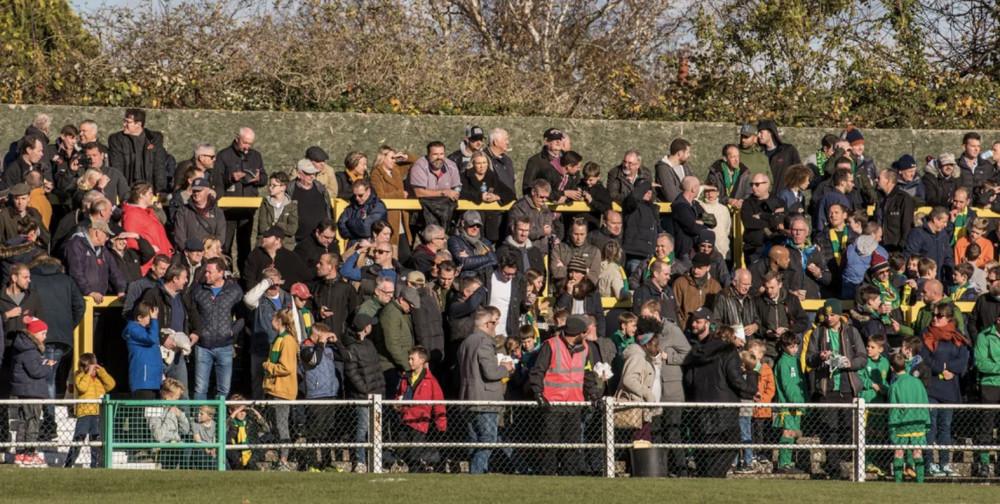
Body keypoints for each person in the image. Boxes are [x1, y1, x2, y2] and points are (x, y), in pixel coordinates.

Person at [529, 314, 600, 476]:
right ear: (577, 333)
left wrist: (594, 395)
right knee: (550, 445)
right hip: (552, 404)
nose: (586, 335)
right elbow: (537, 372)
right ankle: (548, 476)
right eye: (584, 332)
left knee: (572, 446)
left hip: (574, 404)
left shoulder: (585, 348)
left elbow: (588, 374)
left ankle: (570, 477)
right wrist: (539, 394)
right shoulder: (551, 346)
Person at [805, 299, 867, 479]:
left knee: (847, 429)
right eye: (827, 314)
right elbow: (809, 359)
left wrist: (850, 363)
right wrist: (820, 356)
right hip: (827, 387)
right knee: (829, 429)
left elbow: (863, 358)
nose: (829, 318)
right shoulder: (817, 332)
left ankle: (845, 464)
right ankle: (833, 468)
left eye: (833, 314)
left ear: (840, 314)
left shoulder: (851, 332)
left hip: (847, 387)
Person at [683, 324, 754, 478]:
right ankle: (714, 477)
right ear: (730, 338)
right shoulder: (729, 351)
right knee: (732, 443)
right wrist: (751, 390)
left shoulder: (697, 351)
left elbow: (688, 380)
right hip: (724, 408)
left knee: (705, 449)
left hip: (699, 407)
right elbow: (735, 379)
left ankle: (706, 476)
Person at [458, 309, 513, 474]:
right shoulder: (484, 342)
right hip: (485, 399)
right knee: (488, 440)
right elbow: (490, 372)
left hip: (468, 397)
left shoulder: (466, 342)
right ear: (488, 324)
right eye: (494, 323)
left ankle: (475, 473)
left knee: (475, 441)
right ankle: (476, 473)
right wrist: (505, 368)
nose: (495, 326)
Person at [920, 302, 969, 477]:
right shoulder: (926, 335)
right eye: (933, 315)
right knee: (930, 425)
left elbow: (963, 360)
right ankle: (929, 463)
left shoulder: (957, 337)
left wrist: (949, 368)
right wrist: (942, 369)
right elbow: (925, 359)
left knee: (945, 426)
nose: (934, 318)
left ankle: (945, 463)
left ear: (949, 318)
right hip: (931, 387)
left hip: (950, 388)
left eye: (939, 316)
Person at [191, 258, 244, 400]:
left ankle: (219, 420)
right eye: (205, 271)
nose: (206, 274)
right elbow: (191, 313)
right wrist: (195, 331)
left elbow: (242, 315)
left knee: (224, 388)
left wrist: (233, 331)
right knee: (200, 387)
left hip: (225, 345)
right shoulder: (198, 290)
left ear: (220, 273)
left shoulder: (234, 291)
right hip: (203, 345)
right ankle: (199, 420)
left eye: (210, 272)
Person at [217, 127, 267, 271]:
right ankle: (227, 274)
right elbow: (217, 179)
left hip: (247, 210)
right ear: (237, 138)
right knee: (225, 245)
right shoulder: (224, 155)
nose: (247, 146)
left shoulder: (256, 156)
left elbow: (264, 177)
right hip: (228, 210)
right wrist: (231, 179)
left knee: (245, 245)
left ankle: (245, 276)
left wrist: (258, 179)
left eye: (250, 144)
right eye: (245, 142)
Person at [10, 316, 55, 467]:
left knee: (24, 422)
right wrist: (47, 366)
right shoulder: (31, 351)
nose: (45, 337)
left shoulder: (23, 349)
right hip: (32, 391)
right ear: (35, 334)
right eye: (43, 333)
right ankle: (28, 453)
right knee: (32, 422)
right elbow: (35, 371)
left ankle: (21, 453)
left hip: (25, 390)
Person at [394, 345, 447, 473]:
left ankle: (417, 472)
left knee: (414, 453)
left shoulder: (430, 381)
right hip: (405, 419)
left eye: (412, 359)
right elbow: (399, 395)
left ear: (422, 361)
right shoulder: (406, 378)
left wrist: (441, 424)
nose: (409, 362)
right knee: (401, 451)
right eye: (409, 359)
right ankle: (420, 469)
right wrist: (397, 404)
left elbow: (439, 403)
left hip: (420, 422)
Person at [263, 308, 300, 471]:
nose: (270, 321)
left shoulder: (288, 341)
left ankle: (284, 459)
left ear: (279, 321)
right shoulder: (278, 339)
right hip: (273, 388)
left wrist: (267, 366)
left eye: (273, 318)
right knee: (275, 425)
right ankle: (281, 458)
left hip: (282, 390)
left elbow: (286, 367)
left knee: (281, 425)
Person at [617, 318, 663, 442]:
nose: (658, 348)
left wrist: (657, 357)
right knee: (640, 444)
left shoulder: (646, 357)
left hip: (644, 412)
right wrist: (648, 394)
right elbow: (629, 379)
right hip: (637, 412)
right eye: (656, 345)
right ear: (647, 344)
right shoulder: (637, 357)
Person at [65, 353, 114, 468]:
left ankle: (95, 464)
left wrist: (101, 372)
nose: (93, 370)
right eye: (91, 367)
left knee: (95, 440)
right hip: (84, 414)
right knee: (79, 438)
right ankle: (69, 463)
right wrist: (87, 374)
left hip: (96, 414)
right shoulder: (79, 376)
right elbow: (82, 387)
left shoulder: (98, 380)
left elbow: (111, 385)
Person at [888, 352, 930, 484]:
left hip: (902, 424)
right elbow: (925, 402)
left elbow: (894, 410)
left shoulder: (894, 386)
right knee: (918, 452)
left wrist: (892, 428)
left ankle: (898, 480)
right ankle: (920, 480)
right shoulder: (918, 383)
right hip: (918, 422)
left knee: (899, 452)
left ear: (891, 368)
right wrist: (926, 422)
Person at [459, 151, 516, 243]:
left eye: (484, 163)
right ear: (473, 164)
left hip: (490, 220)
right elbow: (459, 192)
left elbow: (511, 194)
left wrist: (497, 197)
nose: (482, 166)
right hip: (470, 216)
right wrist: (479, 197)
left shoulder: (492, 177)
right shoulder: (464, 177)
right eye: (478, 163)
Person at [107, 108, 167, 192]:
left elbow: (159, 167)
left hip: (149, 188)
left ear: (138, 124)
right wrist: (121, 191)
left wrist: (160, 191)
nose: (124, 124)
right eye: (124, 121)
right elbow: (117, 167)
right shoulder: (117, 140)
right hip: (127, 188)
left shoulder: (154, 139)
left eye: (128, 122)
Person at [772, 332, 805, 474]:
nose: (794, 349)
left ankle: (788, 462)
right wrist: (795, 401)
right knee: (787, 432)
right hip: (787, 404)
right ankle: (783, 464)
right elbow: (786, 385)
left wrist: (804, 401)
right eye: (791, 346)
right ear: (784, 346)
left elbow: (800, 383)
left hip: (797, 405)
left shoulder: (796, 360)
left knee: (793, 433)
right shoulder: (782, 362)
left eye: (796, 346)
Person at [409, 141, 462, 231]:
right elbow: (419, 193)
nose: (439, 157)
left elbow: (456, 191)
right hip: (419, 212)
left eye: (441, 154)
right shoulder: (419, 166)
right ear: (428, 155)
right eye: (435, 154)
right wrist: (444, 193)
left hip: (445, 211)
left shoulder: (452, 166)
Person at [379, 285, 420, 397]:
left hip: (398, 365)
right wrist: (407, 366)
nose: (410, 309)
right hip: (391, 366)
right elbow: (393, 344)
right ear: (401, 299)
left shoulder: (401, 312)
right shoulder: (391, 313)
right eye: (410, 305)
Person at [973, 312, 1000, 478]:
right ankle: (984, 464)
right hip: (988, 385)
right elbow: (981, 363)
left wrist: (995, 365)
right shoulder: (984, 337)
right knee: (986, 427)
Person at [905, 206, 954, 284]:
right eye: (944, 222)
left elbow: (948, 256)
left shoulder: (943, 235)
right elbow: (909, 256)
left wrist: (951, 273)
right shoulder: (918, 233)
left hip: (938, 281)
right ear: (935, 219)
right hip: (921, 281)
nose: (945, 225)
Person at [148, 378, 191, 468]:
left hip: (177, 445)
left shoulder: (175, 409)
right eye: (176, 398)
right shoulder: (155, 410)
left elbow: (186, 430)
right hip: (162, 448)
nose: (178, 400)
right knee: (171, 449)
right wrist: (170, 415)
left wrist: (180, 416)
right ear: (168, 398)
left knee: (188, 447)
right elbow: (158, 436)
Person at [173, 177, 227, 247]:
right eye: (194, 190)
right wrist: (190, 251)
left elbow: (221, 237)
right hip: (189, 253)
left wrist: (208, 251)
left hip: (209, 254)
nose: (196, 193)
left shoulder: (217, 212)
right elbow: (179, 236)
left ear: (208, 191)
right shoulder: (183, 211)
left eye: (200, 190)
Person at [123, 301, 161, 399]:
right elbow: (151, 339)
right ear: (139, 318)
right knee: (142, 413)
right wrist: (155, 320)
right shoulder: (132, 329)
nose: (153, 321)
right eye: (150, 318)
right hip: (143, 382)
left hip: (155, 381)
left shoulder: (149, 330)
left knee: (153, 414)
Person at [507, 179, 555, 254]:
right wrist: (542, 231)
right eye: (541, 197)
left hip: (543, 252)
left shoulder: (545, 208)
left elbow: (550, 227)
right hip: (524, 252)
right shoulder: (519, 207)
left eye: (546, 197)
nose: (544, 200)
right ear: (533, 192)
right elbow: (517, 231)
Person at [253, 171, 298, 250]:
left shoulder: (292, 206)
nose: (270, 188)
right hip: (266, 243)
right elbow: (263, 228)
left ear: (283, 188)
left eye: (274, 185)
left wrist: (276, 224)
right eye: (270, 185)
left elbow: (292, 229)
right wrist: (283, 228)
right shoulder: (265, 203)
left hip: (286, 245)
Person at [225, 394, 271, 470]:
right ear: (231, 411)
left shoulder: (249, 421)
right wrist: (234, 414)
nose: (242, 413)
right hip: (235, 451)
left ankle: (250, 464)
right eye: (239, 410)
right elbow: (224, 429)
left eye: (244, 410)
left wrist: (258, 415)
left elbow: (266, 429)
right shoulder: (230, 422)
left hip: (249, 450)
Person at [756, 120, 801, 195]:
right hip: (765, 198)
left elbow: (799, 171)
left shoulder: (788, 151)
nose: (758, 135)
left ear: (771, 132)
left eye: (761, 132)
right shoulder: (759, 153)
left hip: (784, 197)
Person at [338, 179, 388, 246]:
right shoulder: (352, 206)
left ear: (368, 191)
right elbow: (341, 224)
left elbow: (366, 228)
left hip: (372, 246)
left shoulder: (378, 206)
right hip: (353, 245)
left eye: (360, 195)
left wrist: (349, 223)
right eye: (355, 195)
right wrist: (352, 235)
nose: (357, 198)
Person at [522, 127, 564, 196]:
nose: (558, 142)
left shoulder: (567, 159)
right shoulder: (535, 161)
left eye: (560, 139)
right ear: (546, 141)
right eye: (554, 139)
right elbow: (527, 186)